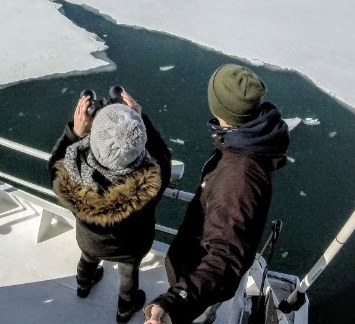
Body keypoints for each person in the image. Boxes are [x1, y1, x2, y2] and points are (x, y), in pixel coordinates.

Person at [144, 64, 290, 324]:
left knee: (200, 316)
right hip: (199, 268)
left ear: (220, 108)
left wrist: (175, 301)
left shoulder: (239, 175)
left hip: (199, 281)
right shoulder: (250, 139)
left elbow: (226, 257)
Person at [48, 89, 172, 324]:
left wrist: (74, 133)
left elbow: (54, 163)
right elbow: (162, 155)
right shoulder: (153, 181)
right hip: (132, 246)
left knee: (87, 259)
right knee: (128, 272)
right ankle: (125, 311)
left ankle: (83, 287)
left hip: (89, 241)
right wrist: (139, 118)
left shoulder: (69, 180)